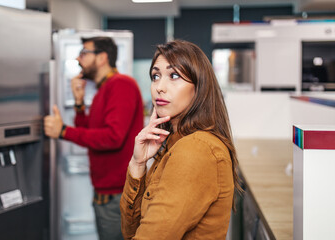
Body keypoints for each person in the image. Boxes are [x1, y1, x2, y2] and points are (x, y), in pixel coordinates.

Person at [120, 40, 242, 240]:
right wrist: (138, 163)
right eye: (155, 76)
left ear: (199, 86)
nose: (159, 87)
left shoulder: (196, 149)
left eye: (174, 75)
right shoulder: (174, 142)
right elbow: (131, 231)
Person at [44, 36, 143, 240]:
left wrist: (63, 131)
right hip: (106, 193)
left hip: (117, 195)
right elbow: (92, 137)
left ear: (102, 58)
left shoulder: (121, 84)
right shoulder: (103, 89)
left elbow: (113, 137)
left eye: (84, 53)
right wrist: (79, 105)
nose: (79, 59)